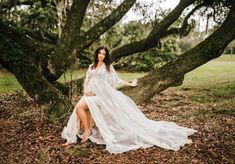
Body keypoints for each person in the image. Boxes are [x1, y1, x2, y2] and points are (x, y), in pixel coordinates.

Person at [61, 46, 197, 154]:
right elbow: (87, 79)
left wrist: (130, 84)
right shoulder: (91, 66)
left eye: (103, 54)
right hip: (89, 93)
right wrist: (85, 90)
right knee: (80, 108)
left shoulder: (108, 67)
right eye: (99, 53)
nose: (101, 55)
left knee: (82, 108)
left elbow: (116, 80)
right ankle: (86, 129)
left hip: (100, 95)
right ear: (96, 54)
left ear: (106, 56)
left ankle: (86, 131)